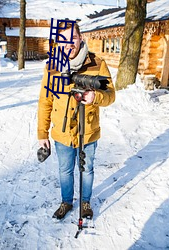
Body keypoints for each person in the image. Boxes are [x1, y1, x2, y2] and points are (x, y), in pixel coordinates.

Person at [37, 21, 115, 220]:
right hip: (62, 133)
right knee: (65, 170)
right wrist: (42, 134)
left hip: (88, 130)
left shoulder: (97, 63)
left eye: (73, 38)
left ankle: (85, 202)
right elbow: (45, 101)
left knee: (86, 168)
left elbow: (110, 95)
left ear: (80, 38)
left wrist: (95, 97)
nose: (69, 43)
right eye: (64, 39)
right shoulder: (52, 67)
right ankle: (66, 202)